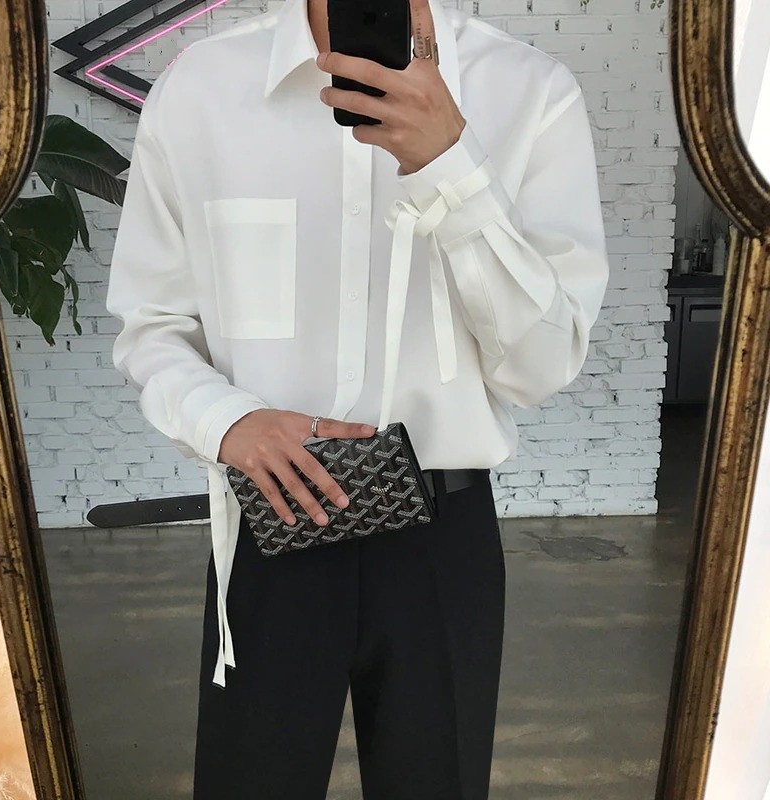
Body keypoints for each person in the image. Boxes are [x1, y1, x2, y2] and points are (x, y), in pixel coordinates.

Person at [105, 0, 609, 794]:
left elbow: (542, 365)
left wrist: (452, 165)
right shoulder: (202, 89)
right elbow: (152, 323)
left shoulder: (528, 92)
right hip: (271, 523)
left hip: (440, 537)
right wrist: (226, 420)